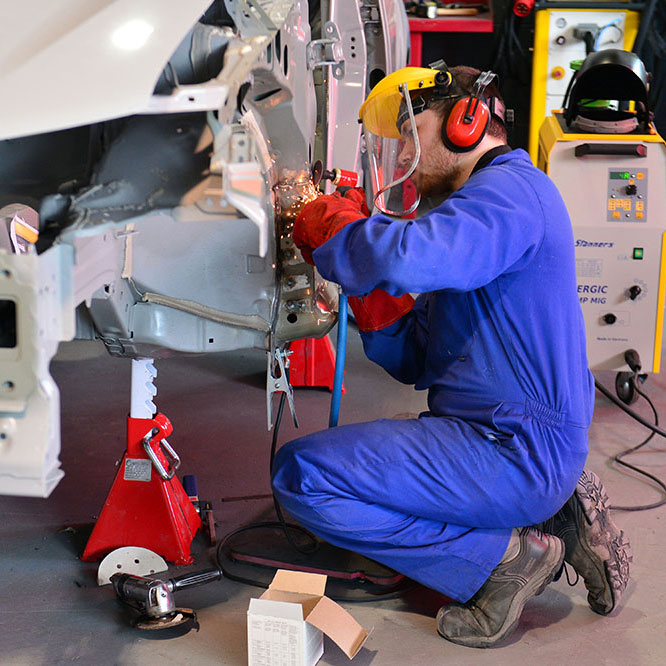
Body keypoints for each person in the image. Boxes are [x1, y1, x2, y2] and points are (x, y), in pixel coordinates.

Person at [271, 64, 632, 648]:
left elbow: (412, 257)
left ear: (467, 122)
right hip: (502, 438)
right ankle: (554, 508)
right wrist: (370, 296)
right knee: (355, 459)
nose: (405, 156)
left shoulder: (512, 193)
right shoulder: (474, 214)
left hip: (511, 448)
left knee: (303, 476)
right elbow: (419, 359)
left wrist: (336, 224)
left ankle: (502, 559)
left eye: (413, 134)